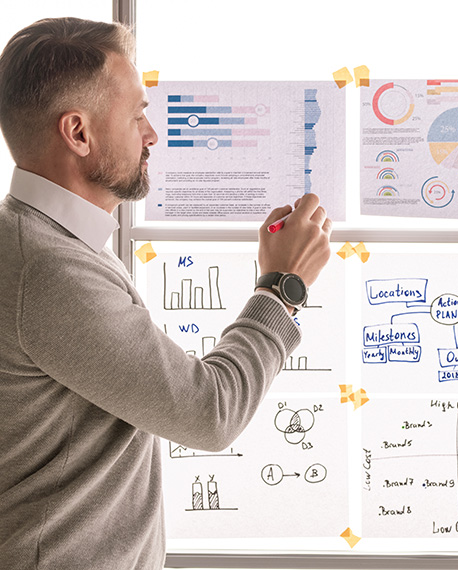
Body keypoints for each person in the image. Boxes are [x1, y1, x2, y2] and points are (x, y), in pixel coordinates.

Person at [0, 17, 332, 569]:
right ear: (78, 134)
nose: (153, 134)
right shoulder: (49, 270)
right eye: (137, 116)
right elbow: (209, 412)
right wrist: (281, 287)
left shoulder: (49, 241)